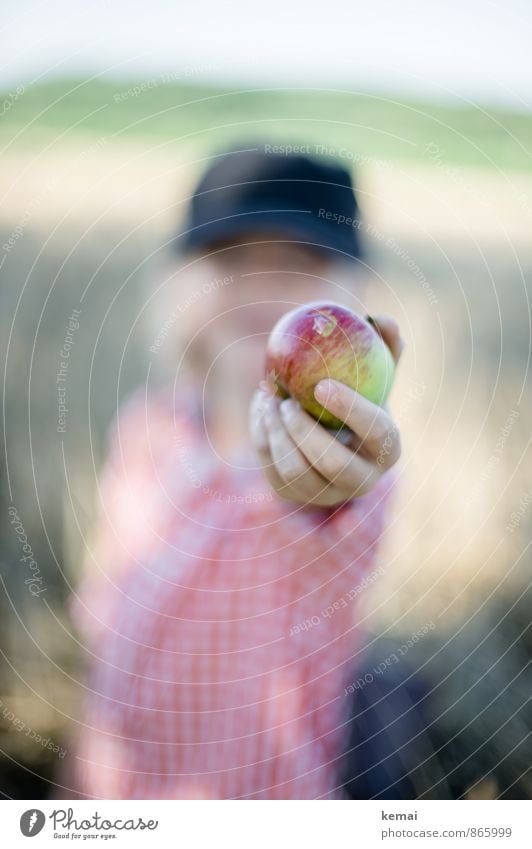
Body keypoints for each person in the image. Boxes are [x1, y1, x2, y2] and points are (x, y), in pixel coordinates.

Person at [67, 146, 403, 799]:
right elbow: (107, 636)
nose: (262, 283)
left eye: (300, 262)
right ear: (181, 283)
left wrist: (326, 490)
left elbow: (335, 506)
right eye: (231, 260)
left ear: (352, 295)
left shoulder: (332, 456)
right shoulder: (146, 429)